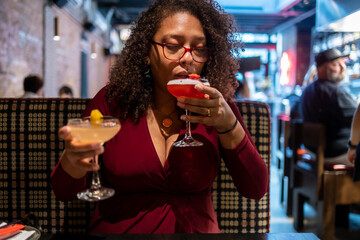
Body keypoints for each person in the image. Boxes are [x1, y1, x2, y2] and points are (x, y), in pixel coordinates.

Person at [51, 0, 269, 234]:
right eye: (173, 46)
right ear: (146, 52)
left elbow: (255, 189)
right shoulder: (113, 101)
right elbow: (65, 193)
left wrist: (229, 125)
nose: (188, 58)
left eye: (199, 48)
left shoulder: (216, 106)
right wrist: (73, 159)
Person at [300, 48, 357, 165]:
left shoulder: (307, 90)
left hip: (312, 150)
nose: (342, 68)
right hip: (335, 153)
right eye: (335, 64)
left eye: (343, 63)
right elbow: (357, 119)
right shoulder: (334, 92)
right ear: (320, 68)